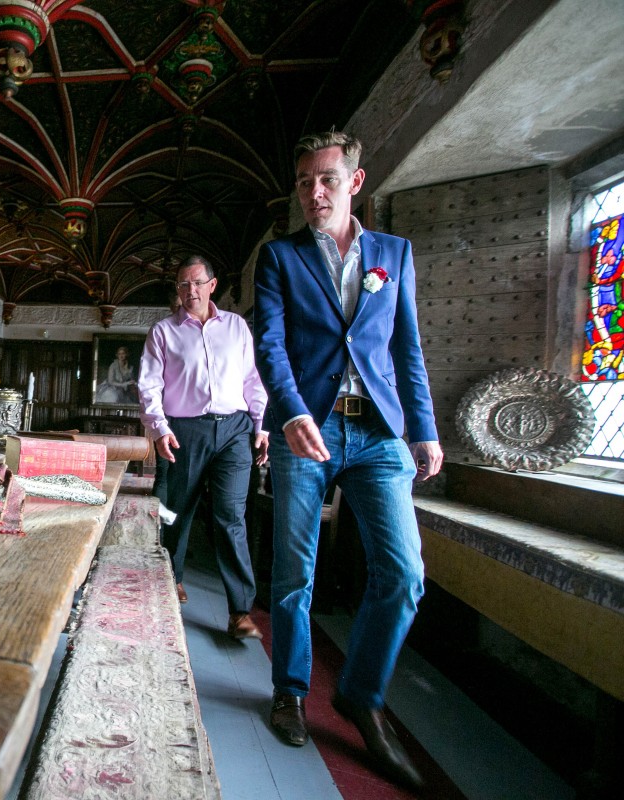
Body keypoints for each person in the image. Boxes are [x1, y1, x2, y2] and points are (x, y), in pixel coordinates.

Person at [253, 130, 443, 790]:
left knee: (404, 573)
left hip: (379, 434)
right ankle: (289, 691)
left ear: (355, 182)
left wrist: (424, 430)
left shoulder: (393, 254)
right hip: (306, 428)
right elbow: (270, 345)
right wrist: (291, 411)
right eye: (304, 181)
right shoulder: (278, 257)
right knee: (293, 574)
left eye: (327, 179)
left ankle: (361, 694)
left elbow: (406, 348)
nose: (315, 192)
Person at [137, 255, 269, 637]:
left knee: (231, 516)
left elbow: (252, 379)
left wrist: (261, 425)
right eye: (183, 284)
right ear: (177, 290)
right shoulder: (163, 331)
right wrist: (160, 429)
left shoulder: (237, 327)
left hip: (234, 431)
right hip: (186, 431)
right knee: (178, 511)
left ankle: (240, 611)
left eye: (197, 282)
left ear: (213, 285)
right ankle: (173, 577)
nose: (190, 290)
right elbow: (149, 385)